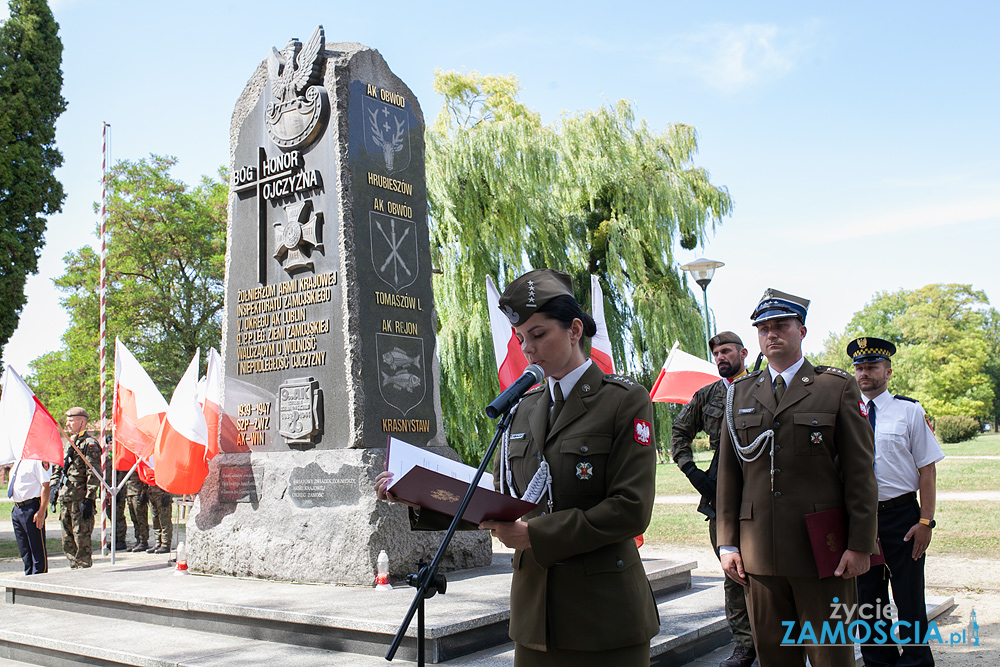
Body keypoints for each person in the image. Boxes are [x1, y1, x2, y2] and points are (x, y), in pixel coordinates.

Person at [376, 269, 659, 667]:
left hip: (605, 615)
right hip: (534, 616)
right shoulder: (522, 408)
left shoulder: (623, 401)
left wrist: (534, 534)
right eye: (522, 338)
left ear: (575, 329)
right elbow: (494, 502)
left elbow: (631, 508)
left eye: (539, 334)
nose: (528, 349)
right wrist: (414, 493)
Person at [716, 288, 878, 667]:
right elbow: (728, 475)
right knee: (775, 659)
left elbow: (860, 474)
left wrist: (860, 544)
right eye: (763, 328)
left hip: (824, 553)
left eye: (781, 326)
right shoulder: (739, 393)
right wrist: (727, 544)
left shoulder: (834, 388)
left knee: (831, 658)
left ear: (801, 331)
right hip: (760, 555)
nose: (771, 334)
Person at [849, 337, 944, 667]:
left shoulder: (910, 411)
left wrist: (925, 522)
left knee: (909, 598)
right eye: (859, 368)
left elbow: (927, 470)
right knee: (867, 600)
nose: (864, 373)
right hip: (861, 519)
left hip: (902, 515)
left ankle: (917, 661)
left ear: (888, 371)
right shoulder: (845, 414)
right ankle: (878, 662)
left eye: (872, 367)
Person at [671, 331, 755, 667]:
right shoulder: (707, 395)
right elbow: (679, 431)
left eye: (727, 351)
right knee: (734, 575)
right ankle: (744, 645)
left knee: (769, 573)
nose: (721, 357)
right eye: (716, 353)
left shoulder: (763, 386)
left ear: (743, 353)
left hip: (761, 497)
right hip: (720, 501)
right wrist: (692, 471)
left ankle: (776, 640)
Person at [51, 407, 103, 569]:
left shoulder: (90, 444)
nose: (67, 423)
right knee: (67, 539)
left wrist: (90, 498)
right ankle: (74, 567)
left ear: (82, 422)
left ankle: (83, 569)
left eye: (71, 420)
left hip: (80, 499)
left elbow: (93, 473)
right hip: (66, 497)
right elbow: (59, 468)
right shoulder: (69, 443)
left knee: (82, 539)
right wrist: (54, 487)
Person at [8, 457, 52, 574]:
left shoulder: (39, 459)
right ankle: (28, 576)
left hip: (32, 507)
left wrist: (42, 511)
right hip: (18, 508)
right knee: (25, 550)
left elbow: (46, 485)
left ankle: (39, 578)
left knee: (37, 549)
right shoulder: (19, 461)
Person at [103, 435, 128, 551]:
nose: (109, 446)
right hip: (107, 492)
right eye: (108, 443)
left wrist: (116, 490)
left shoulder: (119, 459)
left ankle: (120, 540)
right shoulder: (106, 459)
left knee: (117, 515)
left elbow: (121, 476)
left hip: (117, 491)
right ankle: (114, 538)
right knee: (110, 515)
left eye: (112, 443)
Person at [146, 481, 173, 554]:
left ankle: (165, 544)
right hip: (152, 492)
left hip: (162, 493)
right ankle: (158, 542)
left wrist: (167, 494)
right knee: (155, 520)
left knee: (164, 520)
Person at [125, 474, 151, 552]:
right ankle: (138, 540)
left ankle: (143, 541)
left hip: (138, 493)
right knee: (134, 519)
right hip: (130, 492)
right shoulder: (128, 464)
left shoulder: (139, 463)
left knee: (141, 518)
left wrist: (144, 492)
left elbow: (145, 478)